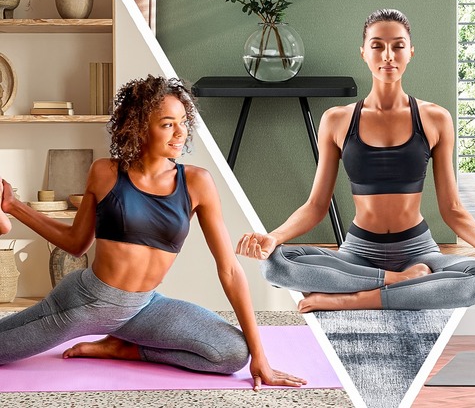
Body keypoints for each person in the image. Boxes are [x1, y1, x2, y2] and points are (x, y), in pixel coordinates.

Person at [0, 75, 306, 389]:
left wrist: (261, 356)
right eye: (167, 124)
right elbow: (76, 243)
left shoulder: (197, 182)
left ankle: (123, 347)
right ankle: (111, 338)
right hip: (84, 303)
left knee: (231, 354)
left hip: (143, 308)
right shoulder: (106, 172)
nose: (180, 132)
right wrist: (14, 206)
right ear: (139, 126)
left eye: (183, 122)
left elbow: (229, 269)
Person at [236, 9, 475, 312]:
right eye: (377, 45)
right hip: (358, 252)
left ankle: (358, 297)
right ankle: (398, 281)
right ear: (363, 52)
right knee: (274, 265)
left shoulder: (435, 118)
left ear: (411, 52)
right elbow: (316, 206)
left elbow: (452, 210)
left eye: (398, 46)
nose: (388, 55)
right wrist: (271, 238)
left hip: (419, 252)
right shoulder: (337, 120)